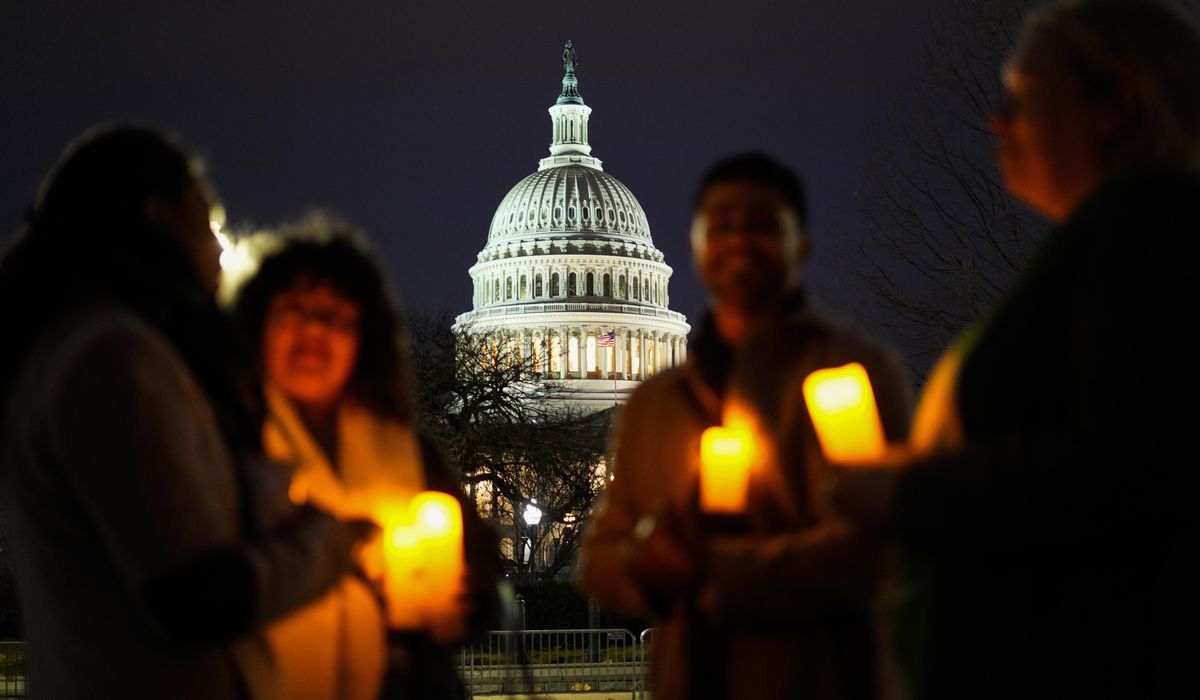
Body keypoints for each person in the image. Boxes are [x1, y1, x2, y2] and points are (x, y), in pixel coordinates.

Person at [833, 1, 1200, 697]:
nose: (995, 119)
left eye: (1025, 94)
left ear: (1116, 102)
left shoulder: (1142, 233)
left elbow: (1125, 467)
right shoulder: (1111, 240)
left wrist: (908, 490)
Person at [0, 126, 371, 699]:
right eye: (208, 219)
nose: (220, 245)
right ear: (161, 219)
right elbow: (193, 595)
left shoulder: (78, 348)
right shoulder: (112, 359)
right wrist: (332, 542)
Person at [580, 153, 911, 700]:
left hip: (824, 677)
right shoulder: (652, 404)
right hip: (695, 679)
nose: (737, 241)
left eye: (760, 224)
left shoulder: (851, 376)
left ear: (799, 245)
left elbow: (881, 549)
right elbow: (601, 558)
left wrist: (711, 570)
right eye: (721, 225)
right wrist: (641, 560)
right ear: (696, 247)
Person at [232, 216, 502, 700]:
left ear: (365, 338)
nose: (314, 334)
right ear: (257, 325)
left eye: (334, 317)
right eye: (294, 312)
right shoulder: (223, 446)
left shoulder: (411, 453)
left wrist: (469, 601)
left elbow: (480, 574)